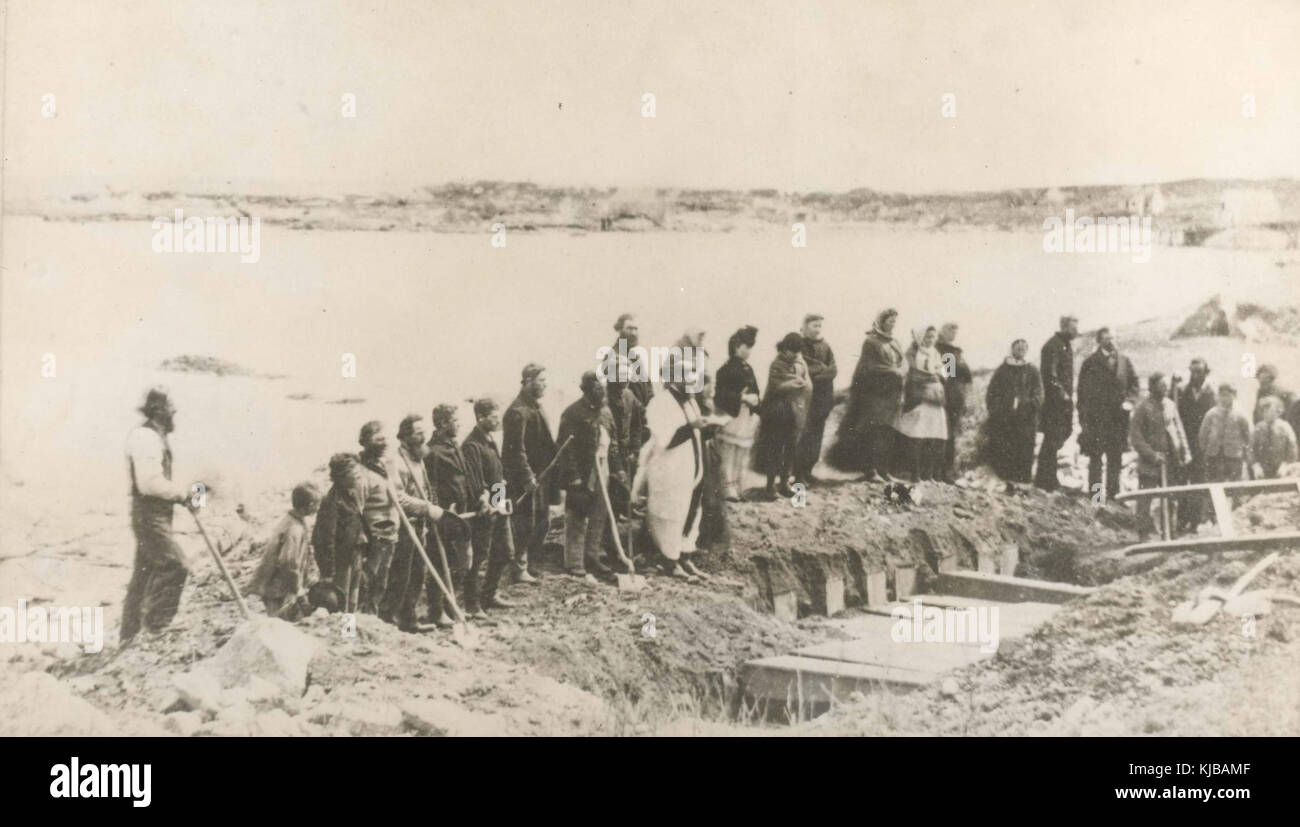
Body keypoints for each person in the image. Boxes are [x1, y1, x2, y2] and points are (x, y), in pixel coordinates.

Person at [122, 387, 201, 642]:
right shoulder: (145, 438)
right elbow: (150, 484)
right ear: (159, 411)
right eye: (171, 407)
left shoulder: (152, 436)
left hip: (153, 514)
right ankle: (156, 629)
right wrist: (182, 494)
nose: (175, 411)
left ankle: (129, 636)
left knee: (144, 573)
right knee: (176, 565)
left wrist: (184, 495)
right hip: (149, 516)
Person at [633, 362, 712, 581]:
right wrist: (692, 427)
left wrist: (705, 428)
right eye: (686, 377)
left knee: (691, 510)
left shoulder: (691, 401)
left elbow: (695, 431)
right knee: (672, 514)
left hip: (692, 468)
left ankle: (685, 555)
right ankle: (670, 560)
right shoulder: (660, 403)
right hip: (671, 470)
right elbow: (664, 440)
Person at [355, 421, 440, 614]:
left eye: (385, 439)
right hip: (369, 540)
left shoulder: (383, 467)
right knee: (357, 589)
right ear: (364, 442)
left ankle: (371, 627)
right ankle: (348, 635)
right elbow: (355, 512)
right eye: (378, 439)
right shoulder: (361, 474)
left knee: (378, 586)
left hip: (387, 538)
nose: (384, 443)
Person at [828, 308, 906, 483]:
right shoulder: (871, 342)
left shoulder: (895, 343)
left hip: (892, 394)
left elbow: (902, 363)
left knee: (887, 432)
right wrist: (893, 371)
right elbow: (869, 366)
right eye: (889, 321)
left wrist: (900, 371)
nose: (892, 325)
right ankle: (869, 470)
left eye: (894, 322)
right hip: (876, 394)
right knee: (872, 432)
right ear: (881, 321)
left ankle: (884, 469)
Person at [557, 371, 621, 582]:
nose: (601, 391)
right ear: (586, 390)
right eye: (596, 388)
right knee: (577, 515)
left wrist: (617, 468)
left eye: (602, 387)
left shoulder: (606, 412)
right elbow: (566, 449)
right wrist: (574, 478)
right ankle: (574, 563)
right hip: (584, 470)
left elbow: (613, 443)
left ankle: (591, 556)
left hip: (603, 468)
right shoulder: (573, 413)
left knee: (599, 513)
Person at [460, 398, 517, 614]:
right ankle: (472, 604)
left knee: (505, 551)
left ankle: (489, 594)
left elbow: (497, 476)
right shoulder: (472, 445)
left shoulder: (490, 441)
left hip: (497, 504)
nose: (498, 420)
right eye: (494, 416)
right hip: (482, 510)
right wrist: (489, 503)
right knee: (478, 557)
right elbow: (476, 481)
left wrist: (500, 502)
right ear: (481, 417)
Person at [503, 363, 558, 582]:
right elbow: (515, 450)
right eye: (541, 380)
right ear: (527, 382)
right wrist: (527, 477)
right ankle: (519, 568)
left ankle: (532, 564)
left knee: (542, 521)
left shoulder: (535, 407)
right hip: (524, 480)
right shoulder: (518, 412)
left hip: (540, 477)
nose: (545, 385)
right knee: (524, 523)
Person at [424, 405, 478, 624]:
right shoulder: (433, 452)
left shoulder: (454, 446)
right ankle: (437, 611)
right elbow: (431, 486)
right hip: (445, 516)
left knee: (458, 561)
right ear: (444, 423)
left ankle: (451, 605)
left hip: (461, 515)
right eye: (455, 420)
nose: (459, 424)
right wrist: (440, 512)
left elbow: (466, 477)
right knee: (440, 561)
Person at [1076, 327, 1139, 503]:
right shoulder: (1090, 362)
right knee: (1096, 458)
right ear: (1099, 341)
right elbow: (1082, 393)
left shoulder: (1124, 361)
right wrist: (1084, 420)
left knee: (1115, 458)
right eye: (1106, 339)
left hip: (1118, 420)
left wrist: (1131, 401)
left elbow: (1134, 384)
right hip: (1097, 420)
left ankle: (1113, 497)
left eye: (1113, 338)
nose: (1111, 342)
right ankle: (1096, 497)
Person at [1129, 373, 1192, 541]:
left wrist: (1185, 451)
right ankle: (1143, 533)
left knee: (1171, 498)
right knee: (1145, 499)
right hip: (1150, 462)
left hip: (1170, 460)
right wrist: (1151, 455)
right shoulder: (1143, 408)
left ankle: (1169, 531)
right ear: (1152, 387)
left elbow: (1179, 429)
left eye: (1165, 386)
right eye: (1161, 385)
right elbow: (1135, 437)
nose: (1164, 388)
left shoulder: (1170, 405)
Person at [248, 482, 321, 617]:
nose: (318, 508)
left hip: (279, 585)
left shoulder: (293, 520)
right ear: (310, 505)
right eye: (317, 504)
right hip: (278, 589)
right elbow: (288, 562)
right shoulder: (294, 529)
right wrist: (297, 589)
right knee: (281, 625)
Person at [754, 332, 813, 499]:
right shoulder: (777, 364)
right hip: (778, 412)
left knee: (791, 447)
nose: (794, 355)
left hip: (796, 411)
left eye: (797, 351)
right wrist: (793, 383)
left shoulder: (801, 362)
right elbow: (776, 386)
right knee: (775, 449)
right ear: (784, 349)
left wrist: (803, 384)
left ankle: (785, 482)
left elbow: (807, 381)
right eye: (791, 351)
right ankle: (769, 486)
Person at [984, 339, 1043, 487]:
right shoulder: (1002, 370)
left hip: (1026, 419)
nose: (1020, 351)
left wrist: (1028, 405)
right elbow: (992, 393)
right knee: (1005, 448)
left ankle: (1022, 482)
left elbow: (1039, 394)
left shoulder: (1032, 370)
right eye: (1018, 348)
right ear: (1012, 349)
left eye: (1023, 349)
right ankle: (1004, 481)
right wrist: (998, 410)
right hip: (1005, 418)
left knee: (1024, 449)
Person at [313, 453, 367, 612]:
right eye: (355, 475)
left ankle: (348, 633)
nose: (358, 478)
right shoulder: (331, 502)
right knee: (339, 600)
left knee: (352, 599)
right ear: (342, 477)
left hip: (354, 554)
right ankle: (342, 634)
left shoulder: (350, 494)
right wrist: (327, 571)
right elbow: (324, 539)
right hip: (340, 561)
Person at [894, 326, 948, 481]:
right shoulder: (911, 353)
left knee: (934, 435)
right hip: (919, 397)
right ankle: (915, 473)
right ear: (920, 338)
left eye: (933, 337)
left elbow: (945, 373)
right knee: (917, 434)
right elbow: (907, 373)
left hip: (936, 398)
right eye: (927, 337)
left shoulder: (937, 353)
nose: (930, 340)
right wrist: (926, 378)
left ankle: (928, 473)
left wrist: (939, 376)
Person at [714, 325, 761, 501]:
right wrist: (741, 398)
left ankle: (739, 486)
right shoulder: (725, 369)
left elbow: (756, 389)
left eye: (750, 348)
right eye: (746, 347)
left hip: (745, 416)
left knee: (741, 453)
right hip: (731, 415)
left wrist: (756, 400)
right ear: (736, 346)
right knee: (729, 453)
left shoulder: (748, 368)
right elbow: (720, 395)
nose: (748, 351)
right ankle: (727, 487)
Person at [1036, 314, 1079, 492]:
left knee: (1057, 439)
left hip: (1063, 403)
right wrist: (1063, 395)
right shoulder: (1052, 346)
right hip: (1054, 404)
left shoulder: (1066, 346)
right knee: (1052, 440)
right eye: (1073, 327)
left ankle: (1047, 478)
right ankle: (1045, 481)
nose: (1076, 331)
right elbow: (1050, 376)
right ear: (1064, 326)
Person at [1174, 358, 1216, 531]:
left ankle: (1197, 520)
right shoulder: (1182, 390)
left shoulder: (1211, 392)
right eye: (1192, 372)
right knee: (1182, 481)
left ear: (1206, 373)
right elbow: (1174, 413)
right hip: (1185, 443)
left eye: (1199, 372)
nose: (1195, 375)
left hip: (1203, 445)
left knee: (1200, 481)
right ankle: (1182, 519)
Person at [795, 314, 837, 485]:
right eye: (814, 325)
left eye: (820, 326)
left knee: (816, 436)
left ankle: (808, 470)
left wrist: (820, 373)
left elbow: (833, 369)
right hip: (806, 398)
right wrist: (820, 370)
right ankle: (797, 473)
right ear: (805, 326)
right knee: (803, 435)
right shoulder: (799, 345)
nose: (818, 329)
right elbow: (803, 368)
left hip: (822, 397)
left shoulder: (826, 346)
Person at [935, 322, 972, 484]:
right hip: (945, 396)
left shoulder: (956, 352)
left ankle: (947, 470)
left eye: (955, 331)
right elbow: (947, 374)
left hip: (957, 397)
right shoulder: (940, 350)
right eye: (950, 330)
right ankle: (938, 470)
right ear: (942, 332)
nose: (953, 334)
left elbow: (966, 375)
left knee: (951, 435)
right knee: (942, 433)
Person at [1198, 384, 1252, 484]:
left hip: (1234, 456)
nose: (1224, 398)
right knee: (1215, 483)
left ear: (1233, 396)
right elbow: (1203, 435)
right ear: (1217, 396)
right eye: (1222, 395)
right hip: (1214, 455)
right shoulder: (1211, 414)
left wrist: (1245, 453)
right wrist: (1206, 451)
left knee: (1234, 483)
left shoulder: (1240, 415)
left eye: (1227, 395)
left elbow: (1247, 436)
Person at [1250, 396, 1296, 479]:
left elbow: (1292, 449)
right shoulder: (1258, 428)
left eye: (1272, 411)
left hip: (1282, 471)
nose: (1269, 414)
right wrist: (1256, 466)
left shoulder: (1285, 428)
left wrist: (1285, 465)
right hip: (1263, 471)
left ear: (1278, 412)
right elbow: (1251, 449)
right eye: (1265, 411)